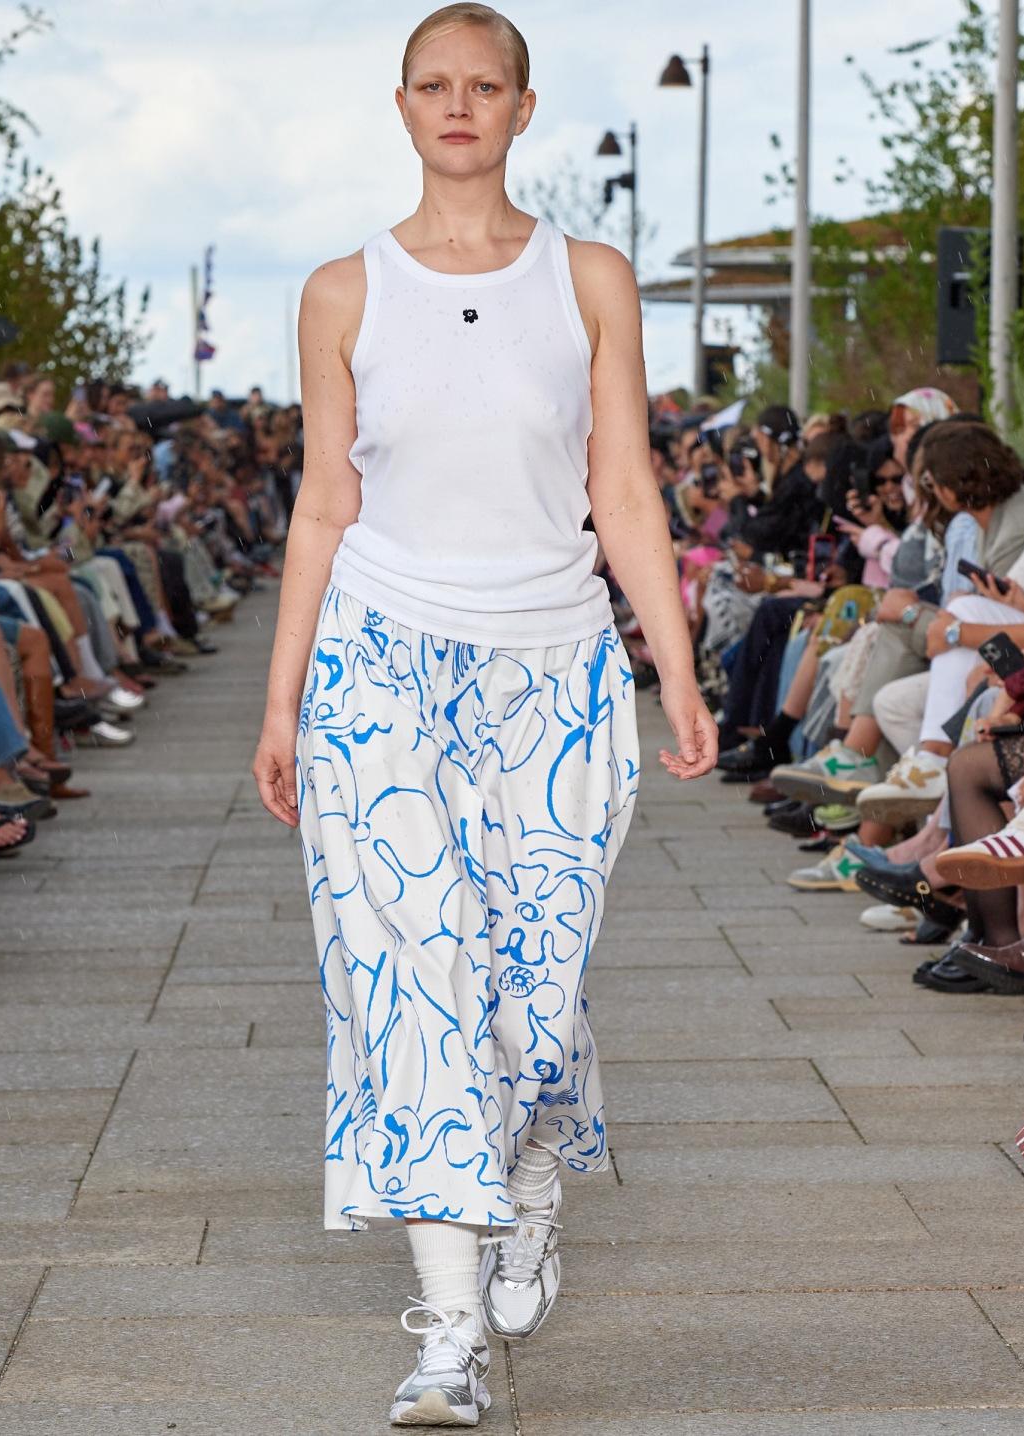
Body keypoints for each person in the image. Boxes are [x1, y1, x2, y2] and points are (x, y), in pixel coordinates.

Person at [251, 5, 718, 1426]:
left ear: (522, 108)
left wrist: (679, 674)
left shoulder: (588, 278)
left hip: (558, 670)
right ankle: (446, 1330)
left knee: (535, 977)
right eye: (434, 86)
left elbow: (624, 488)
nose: (459, 106)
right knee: (408, 986)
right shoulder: (345, 291)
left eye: (485, 85)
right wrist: (282, 702)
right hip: (380, 666)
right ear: (402, 107)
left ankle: (529, 1167)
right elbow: (324, 501)